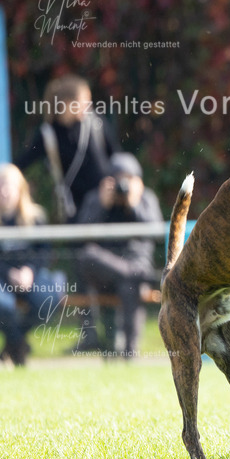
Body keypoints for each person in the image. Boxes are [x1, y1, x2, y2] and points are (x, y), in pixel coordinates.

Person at [74, 153, 162, 358]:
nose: (122, 184)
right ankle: (137, 275)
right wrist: (101, 205)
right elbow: (79, 236)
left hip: (134, 262)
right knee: (88, 255)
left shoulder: (146, 198)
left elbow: (156, 233)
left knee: (130, 285)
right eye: (118, 178)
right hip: (106, 270)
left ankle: (130, 352)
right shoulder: (96, 198)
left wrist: (134, 204)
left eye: (127, 178)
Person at [0, 164, 57, 366]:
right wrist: (8, 273)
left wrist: (29, 271)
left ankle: (13, 343)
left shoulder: (36, 218)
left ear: (20, 190)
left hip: (28, 277)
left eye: (9, 186)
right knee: (4, 305)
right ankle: (19, 347)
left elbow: (45, 252)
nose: (4, 192)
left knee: (49, 297)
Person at [15, 74, 120, 221]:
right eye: (84, 101)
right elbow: (21, 164)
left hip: (105, 202)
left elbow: (116, 156)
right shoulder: (49, 134)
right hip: (76, 210)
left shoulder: (95, 122)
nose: (88, 106)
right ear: (67, 103)